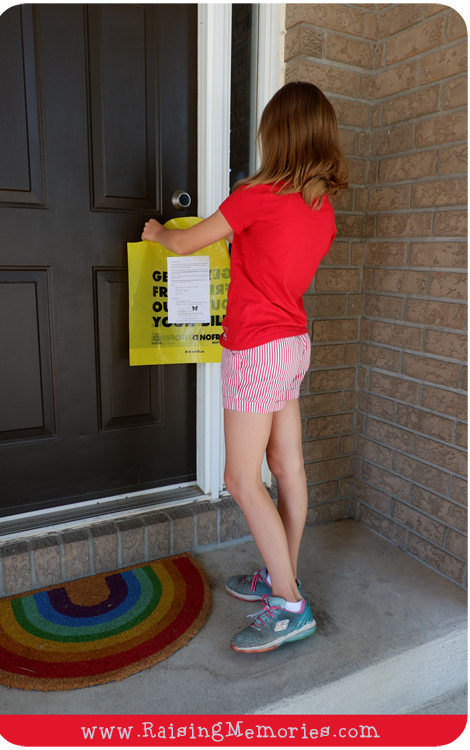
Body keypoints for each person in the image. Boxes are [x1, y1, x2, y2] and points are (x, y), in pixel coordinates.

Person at [141, 81, 349, 653]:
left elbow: (187, 246)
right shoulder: (321, 210)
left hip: (255, 348)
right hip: (292, 346)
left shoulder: (258, 195)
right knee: (288, 467)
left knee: (239, 477)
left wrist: (158, 232)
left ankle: (288, 602)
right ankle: (283, 574)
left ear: (276, 133)